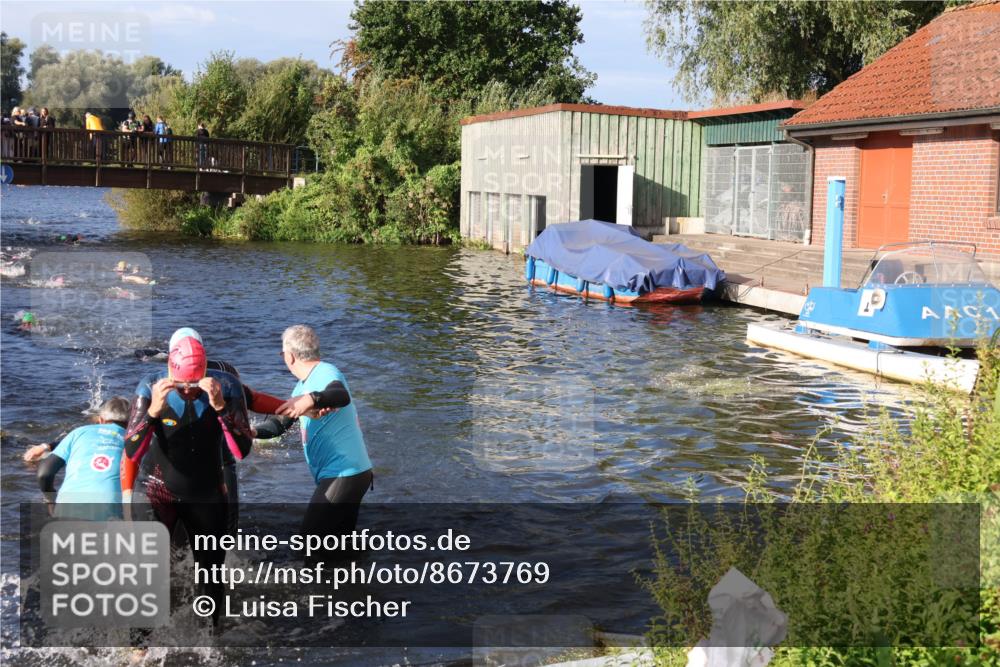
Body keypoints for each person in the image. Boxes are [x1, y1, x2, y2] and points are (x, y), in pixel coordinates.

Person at [121, 327, 252, 627]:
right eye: (183, 386)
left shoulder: (227, 387)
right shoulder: (150, 386)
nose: (190, 392)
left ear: (206, 371)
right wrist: (153, 412)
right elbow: (131, 450)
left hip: (206, 494)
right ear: (169, 369)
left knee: (210, 571)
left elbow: (241, 450)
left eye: (195, 385)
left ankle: (209, 640)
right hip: (159, 490)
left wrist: (220, 409)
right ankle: (139, 649)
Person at [255, 325, 373, 544]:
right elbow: (278, 425)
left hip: (344, 474)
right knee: (339, 548)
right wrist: (250, 431)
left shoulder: (326, 372)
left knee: (309, 544)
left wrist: (312, 399)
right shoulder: (302, 387)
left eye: (282, 354)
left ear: (289, 357)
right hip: (351, 474)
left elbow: (340, 395)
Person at [34, 397, 130, 520]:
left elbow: (44, 473)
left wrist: (51, 499)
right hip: (107, 511)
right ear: (132, 422)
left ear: (100, 419)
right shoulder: (133, 441)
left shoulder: (78, 432)